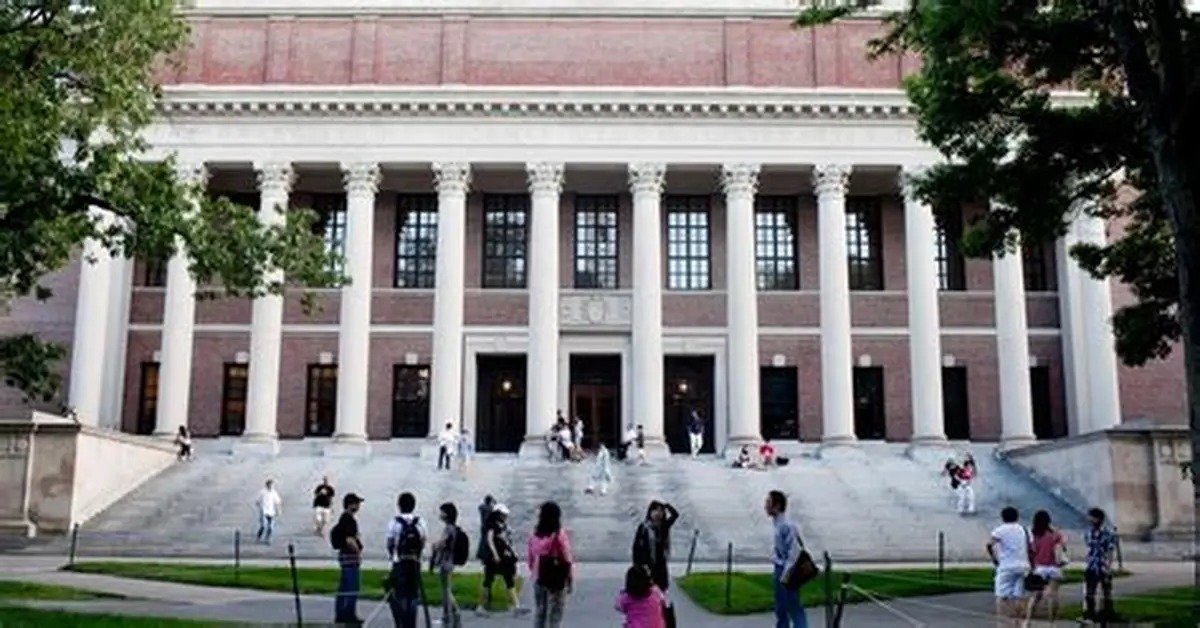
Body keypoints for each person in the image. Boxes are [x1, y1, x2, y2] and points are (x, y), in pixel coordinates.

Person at [527, 501, 574, 628]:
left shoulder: (534, 536)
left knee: (540, 612)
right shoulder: (559, 535)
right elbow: (567, 559)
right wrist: (570, 579)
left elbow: (530, 559)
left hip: (539, 578)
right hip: (556, 579)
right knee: (555, 614)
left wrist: (535, 571)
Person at [632, 500, 679, 628]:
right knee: (648, 596)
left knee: (661, 596)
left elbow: (675, 515)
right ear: (650, 512)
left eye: (660, 511)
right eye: (655, 510)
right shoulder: (644, 527)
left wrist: (667, 506)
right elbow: (636, 548)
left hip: (661, 566)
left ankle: (662, 622)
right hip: (648, 567)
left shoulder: (664, 526)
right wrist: (638, 566)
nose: (658, 513)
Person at [764, 490, 807, 628]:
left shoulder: (786, 526)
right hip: (780, 567)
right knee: (781, 607)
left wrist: (786, 573)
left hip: (787, 569)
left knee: (793, 605)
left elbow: (794, 551)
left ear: (777, 506)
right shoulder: (778, 524)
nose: (765, 506)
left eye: (768, 502)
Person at [477, 503, 527, 617]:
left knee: (508, 580)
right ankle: (481, 606)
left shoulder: (502, 525)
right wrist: (495, 554)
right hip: (494, 558)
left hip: (504, 557)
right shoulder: (492, 525)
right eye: (503, 515)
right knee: (488, 581)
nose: (505, 517)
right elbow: (490, 540)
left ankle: (517, 606)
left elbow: (506, 540)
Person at [385, 492, 427, 628]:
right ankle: (411, 622)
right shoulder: (420, 522)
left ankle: (401, 622)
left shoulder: (394, 523)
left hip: (399, 562)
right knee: (413, 594)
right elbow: (423, 541)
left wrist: (393, 556)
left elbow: (390, 543)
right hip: (414, 562)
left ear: (399, 506)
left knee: (399, 593)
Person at [986, 506, 1030, 627]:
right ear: (1017, 517)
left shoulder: (1000, 530)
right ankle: (1018, 622)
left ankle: (1002, 623)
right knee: (1018, 596)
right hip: (1023, 566)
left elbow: (989, 544)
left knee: (1001, 596)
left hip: (1006, 566)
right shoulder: (1024, 530)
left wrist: (994, 558)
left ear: (1003, 517)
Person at [1025, 510, 1067, 625]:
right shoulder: (1056, 535)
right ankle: (1052, 623)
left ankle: (1028, 621)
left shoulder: (1034, 535)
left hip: (1039, 567)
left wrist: (1032, 566)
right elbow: (1062, 548)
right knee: (1052, 595)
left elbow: (1031, 552)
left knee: (1035, 596)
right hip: (1054, 567)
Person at [330, 493, 364, 625]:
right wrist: (358, 552)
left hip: (344, 556)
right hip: (350, 556)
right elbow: (349, 540)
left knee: (344, 587)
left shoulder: (343, 518)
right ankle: (349, 614)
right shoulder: (349, 520)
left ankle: (341, 613)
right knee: (352, 587)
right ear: (351, 505)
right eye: (357, 503)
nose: (358, 506)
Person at [431, 502, 463, 628]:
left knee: (446, 591)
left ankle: (448, 616)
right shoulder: (453, 528)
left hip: (445, 562)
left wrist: (435, 545)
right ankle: (453, 615)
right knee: (446, 590)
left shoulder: (449, 529)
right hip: (449, 561)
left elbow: (442, 543)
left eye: (442, 512)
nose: (440, 514)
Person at [1081, 507, 1116, 623]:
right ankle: (1090, 613)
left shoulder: (1107, 534)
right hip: (1091, 565)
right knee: (1090, 591)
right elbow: (1088, 548)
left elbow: (1110, 550)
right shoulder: (1088, 533)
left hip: (1102, 565)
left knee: (1106, 591)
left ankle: (1107, 613)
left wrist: (1108, 565)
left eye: (1092, 518)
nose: (1090, 520)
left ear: (1098, 519)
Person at [255, 479, 282, 544]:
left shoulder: (274, 493)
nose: (271, 486)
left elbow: (278, 502)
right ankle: (258, 536)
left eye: (272, 485)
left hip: (271, 512)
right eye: (270, 485)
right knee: (263, 526)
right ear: (267, 485)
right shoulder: (262, 492)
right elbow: (257, 501)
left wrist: (278, 510)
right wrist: (260, 506)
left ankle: (268, 539)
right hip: (264, 511)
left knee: (270, 527)